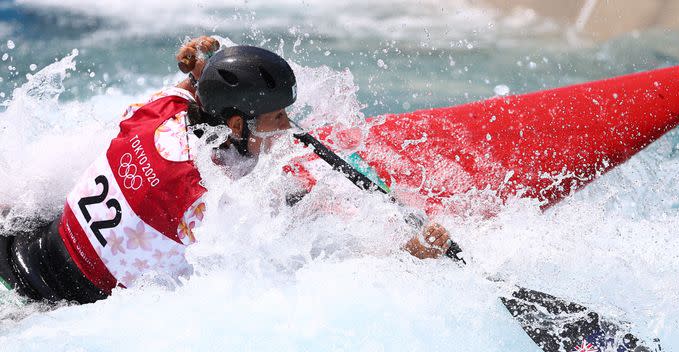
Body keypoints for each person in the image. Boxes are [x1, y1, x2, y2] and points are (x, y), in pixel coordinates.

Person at [0, 37, 452, 304]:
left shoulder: (162, 110)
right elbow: (291, 273)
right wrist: (403, 255)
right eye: (276, 118)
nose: (288, 128)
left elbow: (187, 89)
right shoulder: (208, 204)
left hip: (26, 241)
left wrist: (203, 70)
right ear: (235, 123)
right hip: (54, 301)